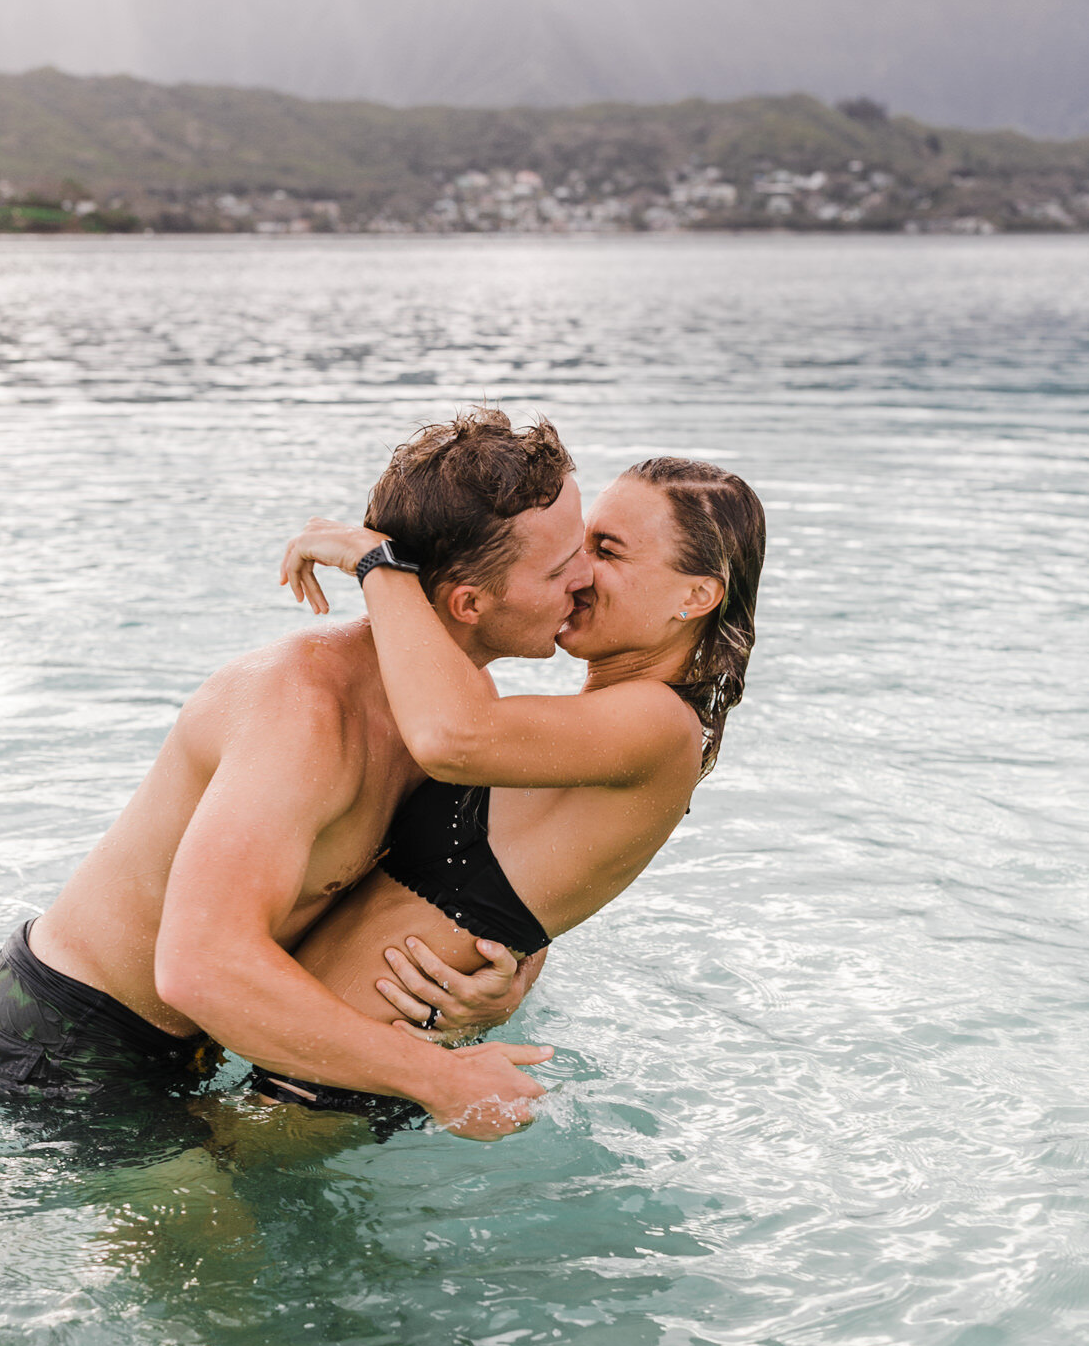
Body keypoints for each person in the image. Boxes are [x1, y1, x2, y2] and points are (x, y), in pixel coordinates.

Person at [0, 410, 594, 1145]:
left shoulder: (461, 714)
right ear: (470, 604)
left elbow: (482, 879)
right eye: (561, 564)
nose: (589, 577)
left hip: (197, 1046)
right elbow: (197, 968)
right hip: (65, 1044)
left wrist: (504, 983)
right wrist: (439, 1080)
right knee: (233, 1258)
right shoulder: (302, 715)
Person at [257, 456, 766, 1124]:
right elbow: (528, 872)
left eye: (606, 551)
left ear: (694, 597)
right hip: (317, 1060)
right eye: (580, 542)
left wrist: (377, 564)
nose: (576, 571)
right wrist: (516, 975)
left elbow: (449, 739)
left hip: (324, 1094)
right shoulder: (589, 730)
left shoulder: (660, 725)